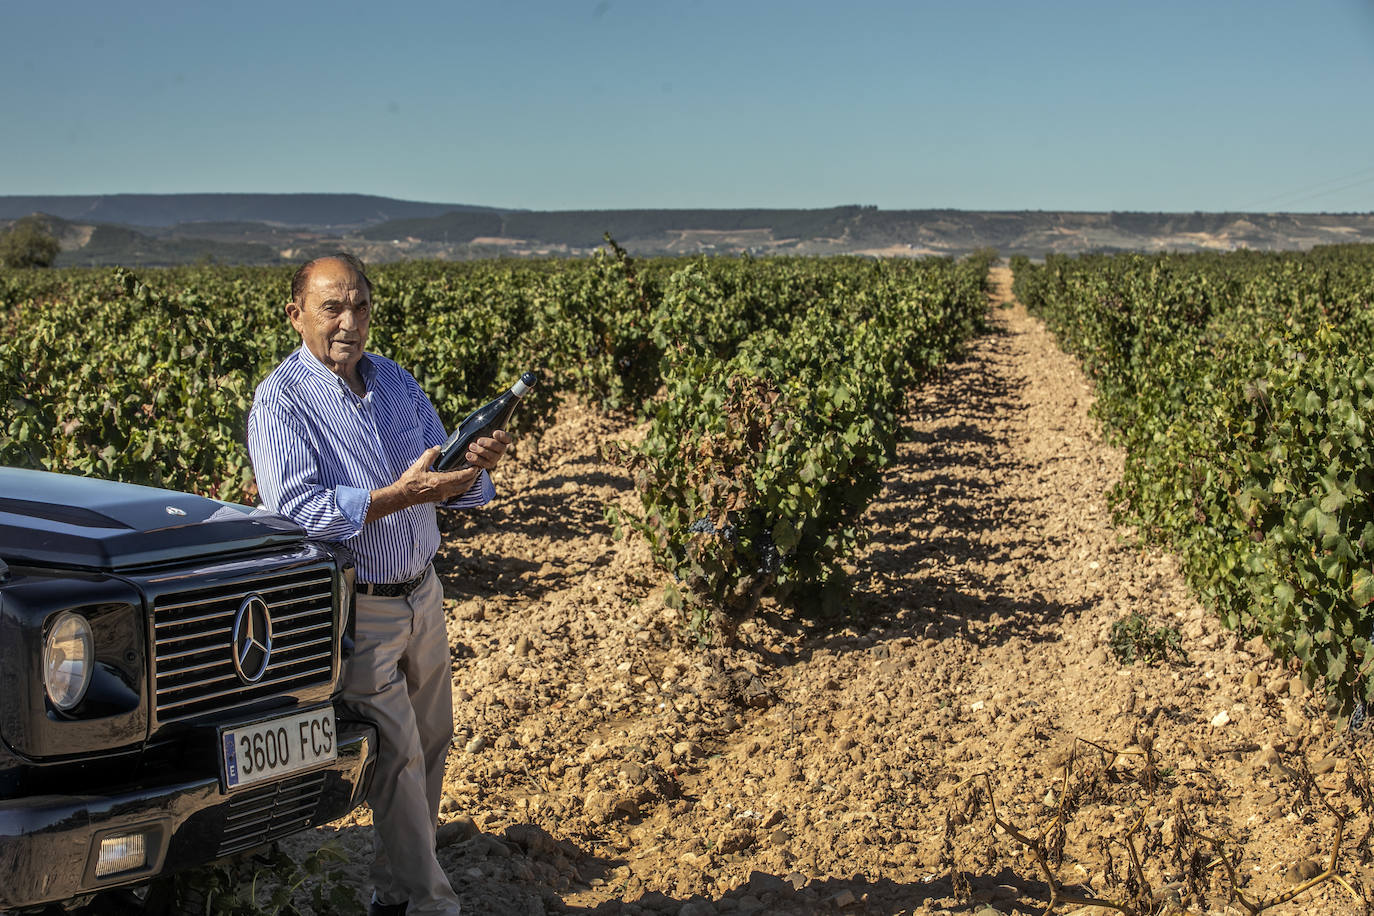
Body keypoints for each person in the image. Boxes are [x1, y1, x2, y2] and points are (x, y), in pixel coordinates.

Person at [246, 253, 509, 916]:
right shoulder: (281, 400)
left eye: (360, 306)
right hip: (360, 611)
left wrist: (472, 470)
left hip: (423, 592)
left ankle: (391, 893)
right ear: (296, 313)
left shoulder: (394, 380)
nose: (349, 321)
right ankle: (429, 904)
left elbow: (446, 480)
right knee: (395, 759)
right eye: (332, 307)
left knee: (433, 739)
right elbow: (296, 507)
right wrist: (398, 496)